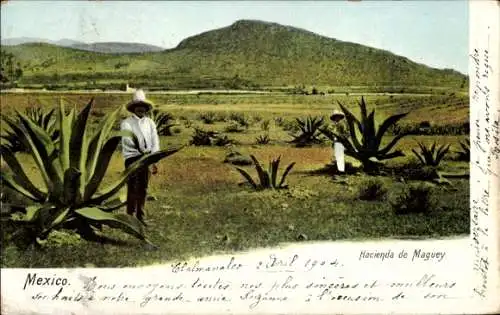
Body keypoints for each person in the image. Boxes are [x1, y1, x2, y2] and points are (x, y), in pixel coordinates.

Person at [121, 89, 160, 225]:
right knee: (132, 186)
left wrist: (154, 159)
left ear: (145, 108)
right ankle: (130, 216)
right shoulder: (126, 123)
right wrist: (141, 150)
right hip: (132, 158)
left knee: (143, 187)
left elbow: (155, 141)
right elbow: (127, 141)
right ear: (133, 108)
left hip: (147, 158)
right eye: (138, 106)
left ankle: (141, 216)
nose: (140, 109)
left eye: (143, 106)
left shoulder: (150, 123)